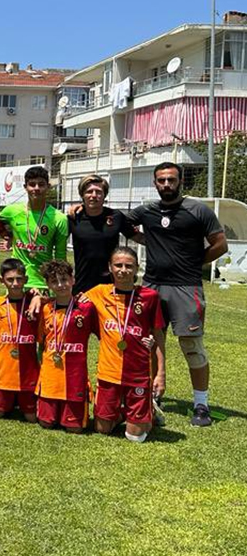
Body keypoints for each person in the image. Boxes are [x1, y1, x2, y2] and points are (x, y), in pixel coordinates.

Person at [125, 162, 227, 427]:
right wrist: (148, 240)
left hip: (186, 287)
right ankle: (150, 398)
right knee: (149, 343)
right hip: (152, 286)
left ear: (181, 181)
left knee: (191, 346)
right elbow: (123, 224)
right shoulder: (147, 211)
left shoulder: (197, 210)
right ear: (155, 183)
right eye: (161, 180)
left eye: (171, 179)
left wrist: (196, 262)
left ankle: (201, 405)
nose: (166, 184)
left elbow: (220, 244)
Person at [85, 247, 166, 442]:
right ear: (110, 267)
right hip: (108, 372)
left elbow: (159, 337)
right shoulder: (98, 292)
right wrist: (39, 298)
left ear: (137, 268)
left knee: (134, 437)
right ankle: (128, 413)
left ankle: (149, 413)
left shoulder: (149, 297)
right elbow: (70, 302)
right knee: (102, 429)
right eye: (118, 265)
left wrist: (161, 374)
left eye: (129, 266)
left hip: (137, 373)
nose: (123, 270)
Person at [36, 260, 96, 433]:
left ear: (73, 280)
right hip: (50, 375)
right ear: (48, 284)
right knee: (46, 423)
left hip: (75, 376)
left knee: (74, 429)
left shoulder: (87, 308)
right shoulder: (45, 308)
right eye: (54, 281)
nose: (60, 285)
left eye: (64, 279)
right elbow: (41, 342)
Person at [0, 166, 69, 290]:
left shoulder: (59, 218)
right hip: (18, 281)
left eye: (41, 184)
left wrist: (60, 283)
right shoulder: (12, 211)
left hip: (43, 283)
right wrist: (8, 235)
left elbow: (60, 256)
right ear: (25, 187)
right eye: (32, 184)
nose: (36, 188)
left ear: (48, 187)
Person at [0, 258, 40, 422]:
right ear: (2, 281)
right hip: (4, 372)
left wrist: (39, 295)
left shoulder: (34, 303)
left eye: (19, 279)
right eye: (10, 279)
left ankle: (19, 399)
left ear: (26, 280)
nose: (15, 283)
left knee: (31, 417)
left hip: (28, 373)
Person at [68, 174, 141, 295]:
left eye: (98, 192)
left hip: (113, 284)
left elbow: (138, 237)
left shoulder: (116, 216)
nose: (94, 195)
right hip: (82, 285)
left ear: (104, 195)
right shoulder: (74, 218)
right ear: (82, 195)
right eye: (89, 191)